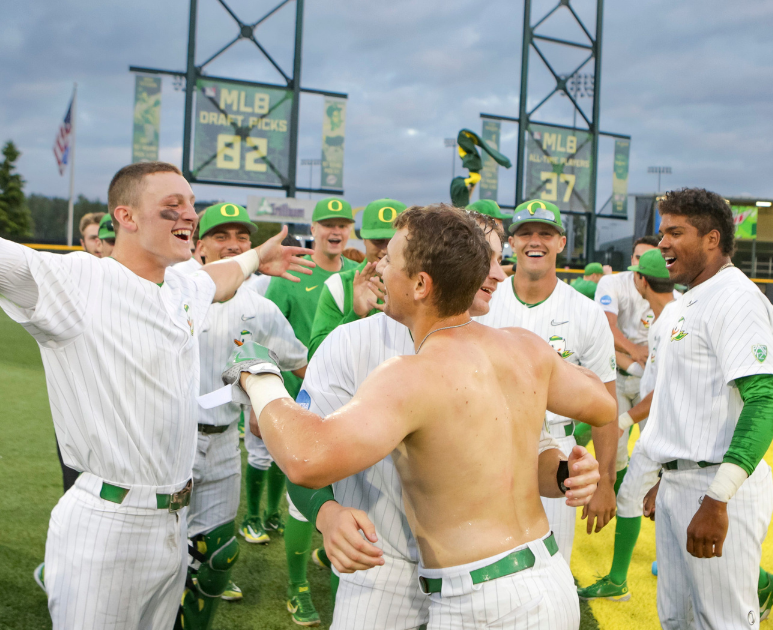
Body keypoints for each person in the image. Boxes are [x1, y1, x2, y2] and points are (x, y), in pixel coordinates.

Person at [0, 116, 313, 629]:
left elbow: (217, 278)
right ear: (125, 216)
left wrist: (258, 257)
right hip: (107, 525)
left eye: (191, 205)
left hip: (171, 523)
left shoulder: (179, 286)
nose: (189, 215)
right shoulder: (78, 280)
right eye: (172, 206)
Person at [223, 204, 617, 629]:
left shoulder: (414, 372)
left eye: (389, 259)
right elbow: (602, 403)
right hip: (492, 576)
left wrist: (258, 373)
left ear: (423, 282)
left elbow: (305, 456)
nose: (378, 266)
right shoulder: (520, 344)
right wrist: (327, 513)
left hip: (477, 593)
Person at [638, 188, 773, 629]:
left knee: (724, 623)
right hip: (681, 483)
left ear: (711, 239)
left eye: (675, 232)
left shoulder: (734, 298)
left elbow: (765, 400)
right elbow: (682, 402)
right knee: (678, 620)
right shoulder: (691, 299)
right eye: (662, 231)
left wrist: (717, 498)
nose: (662, 242)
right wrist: (664, 476)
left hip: (715, 486)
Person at [170, 203, 309, 629]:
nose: (233, 244)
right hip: (174, 440)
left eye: (242, 238)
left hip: (227, 440)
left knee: (218, 552)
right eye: (221, 236)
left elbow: (300, 362)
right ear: (201, 245)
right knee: (163, 552)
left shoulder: (260, 306)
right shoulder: (175, 289)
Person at [475, 198, 620, 565]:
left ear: (561, 242)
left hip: (558, 448)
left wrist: (605, 480)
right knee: (486, 559)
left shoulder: (586, 312)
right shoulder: (484, 300)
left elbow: (607, 405)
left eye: (545, 233)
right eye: (525, 233)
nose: (534, 241)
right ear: (512, 242)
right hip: (488, 444)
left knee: (551, 567)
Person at [259, 196, 359, 625]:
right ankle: (297, 585)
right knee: (304, 496)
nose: (335, 231)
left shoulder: (360, 277)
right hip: (300, 397)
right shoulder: (290, 274)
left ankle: (344, 589)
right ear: (313, 229)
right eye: (326, 224)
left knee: (348, 497)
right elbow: (262, 333)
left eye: (342, 224)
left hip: (355, 403)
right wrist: (262, 402)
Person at [578, 249, 675, 603]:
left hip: (677, 425)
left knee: (658, 495)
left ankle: (760, 582)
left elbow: (663, 390)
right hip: (672, 417)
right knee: (651, 492)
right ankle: (627, 577)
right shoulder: (675, 314)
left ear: (642, 279)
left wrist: (622, 419)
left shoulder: (671, 322)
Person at [307, 198, 404, 356]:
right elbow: (316, 355)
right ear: (364, 239)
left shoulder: (422, 286)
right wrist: (356, 315)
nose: (386, 249)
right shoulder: (339, 285)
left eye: (394, 241)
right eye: (378, 241)